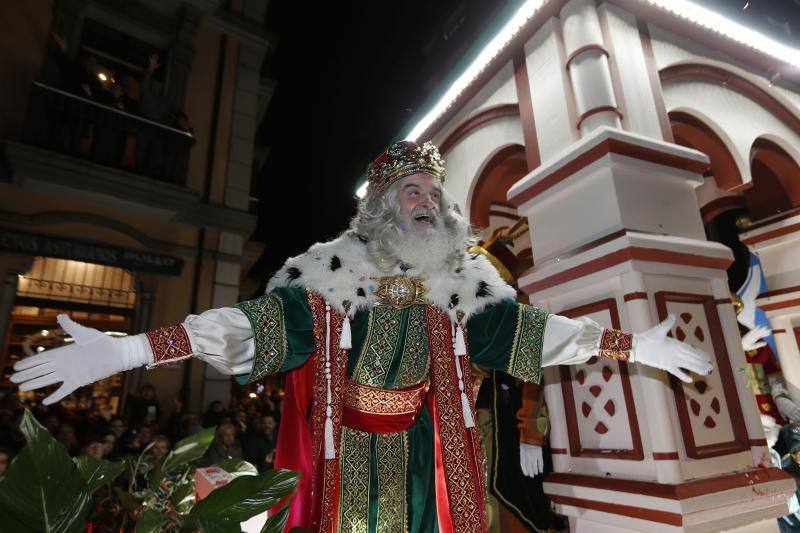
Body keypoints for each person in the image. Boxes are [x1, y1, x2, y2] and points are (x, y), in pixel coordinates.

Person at [10, 140, 713, 533]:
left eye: (434, 194)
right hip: (342, 461)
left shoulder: (462, 281)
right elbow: (256, 324)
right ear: (379, 206)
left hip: (429, 455)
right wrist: (134, 349)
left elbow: (527, 331)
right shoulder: (330, 273)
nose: (427, 202)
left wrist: (631, 346)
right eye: (411, 190)